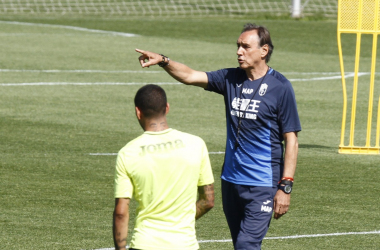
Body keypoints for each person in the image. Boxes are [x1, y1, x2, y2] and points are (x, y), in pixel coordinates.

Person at [135, 23, 301, 250]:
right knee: (239, 244)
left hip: (263, 184)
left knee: (246, 244)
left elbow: (291, 139)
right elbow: (190, 76)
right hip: (231, 182)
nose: (238, 51)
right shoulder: (230, 78)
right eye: (237, 46)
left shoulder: (281, 87)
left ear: (263, 51)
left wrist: (285, 187)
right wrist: (164, 60)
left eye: (245, 46)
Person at [113, 84, 215, 250]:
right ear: (167, 108)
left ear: (138, 112)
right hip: (185, 245)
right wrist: (181, 220)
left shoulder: (128, 152)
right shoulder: (196, 144)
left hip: (144, 244)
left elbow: (121, 212)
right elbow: (208, 201)